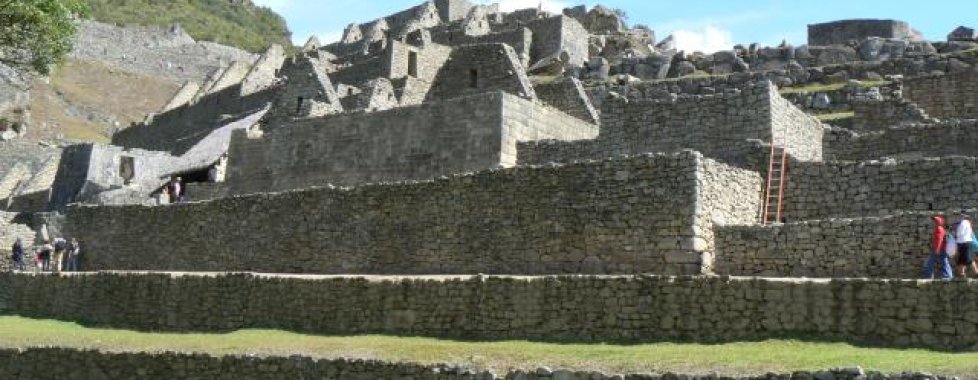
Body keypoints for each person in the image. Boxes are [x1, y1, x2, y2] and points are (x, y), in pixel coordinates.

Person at [922, 215, 953, 280]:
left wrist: (937, 249)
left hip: (938, 249)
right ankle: (947, 276)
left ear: (938, 222)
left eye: (935, 221)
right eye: (934, 221)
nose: (933, 222)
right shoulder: (940, 229)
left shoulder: (939, 229)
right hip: (939, 249)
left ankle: (947, 276)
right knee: (941, 262)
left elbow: (939, 240)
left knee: (931, 262)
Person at [955, 212, 978, 277]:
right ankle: (961, 273)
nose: (958, 217)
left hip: (963, 242)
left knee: (967, 258)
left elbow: (960, 233)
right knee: (962, 258)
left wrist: (956, 234)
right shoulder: (968, 223)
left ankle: (976, 272)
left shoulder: (963, 223)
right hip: (965, 242)